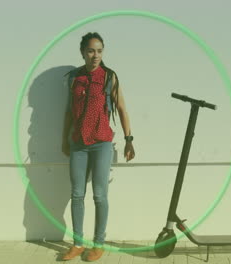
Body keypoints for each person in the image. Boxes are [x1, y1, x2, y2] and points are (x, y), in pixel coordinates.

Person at [60, 32, 135, 262]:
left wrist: (129, 139)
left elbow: (121, 108)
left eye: (100, 51)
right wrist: (64, 139)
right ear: (83, 52)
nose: (95, 55)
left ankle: (99, 243)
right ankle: (78, 243)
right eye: (91, 51)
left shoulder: (108, 77)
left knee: (100, 195)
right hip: (78, 144)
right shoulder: (75, 78)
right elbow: (69, 112)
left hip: (102, 143)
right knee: (77, 194)